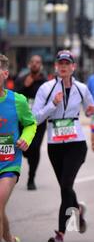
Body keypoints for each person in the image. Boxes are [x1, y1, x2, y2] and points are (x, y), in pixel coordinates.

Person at [32, 50, 94, 242]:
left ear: (73, 67)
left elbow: (90, 109)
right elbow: (35, 118)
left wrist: (91, 111)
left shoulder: (82, 88)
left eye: (67, 63)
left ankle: (60, 234)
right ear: (56, 67)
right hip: (55, 144)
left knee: (66, 186)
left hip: (76, 143)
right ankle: (77, 209)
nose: (64, 66)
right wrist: (53, 104)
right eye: (60, 63)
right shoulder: (46, 88)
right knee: (65, 187)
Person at [0, 54, 37, 242]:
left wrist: (25, 138)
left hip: (8, 163)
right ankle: (9, 239)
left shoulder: (17, 100)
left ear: (5, 74)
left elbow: (31, 124)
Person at [13, 55, 47, 190]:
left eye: (37, 62)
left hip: (38, 122)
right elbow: (13, 96)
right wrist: (24, 86)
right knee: (23, 148)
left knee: (35, 149)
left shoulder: (45, 83)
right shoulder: (21, 80)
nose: (35, 64)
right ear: (29, 64)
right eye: (32, 62)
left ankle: (31, 178)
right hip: (21, 121)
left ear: (41, 65)